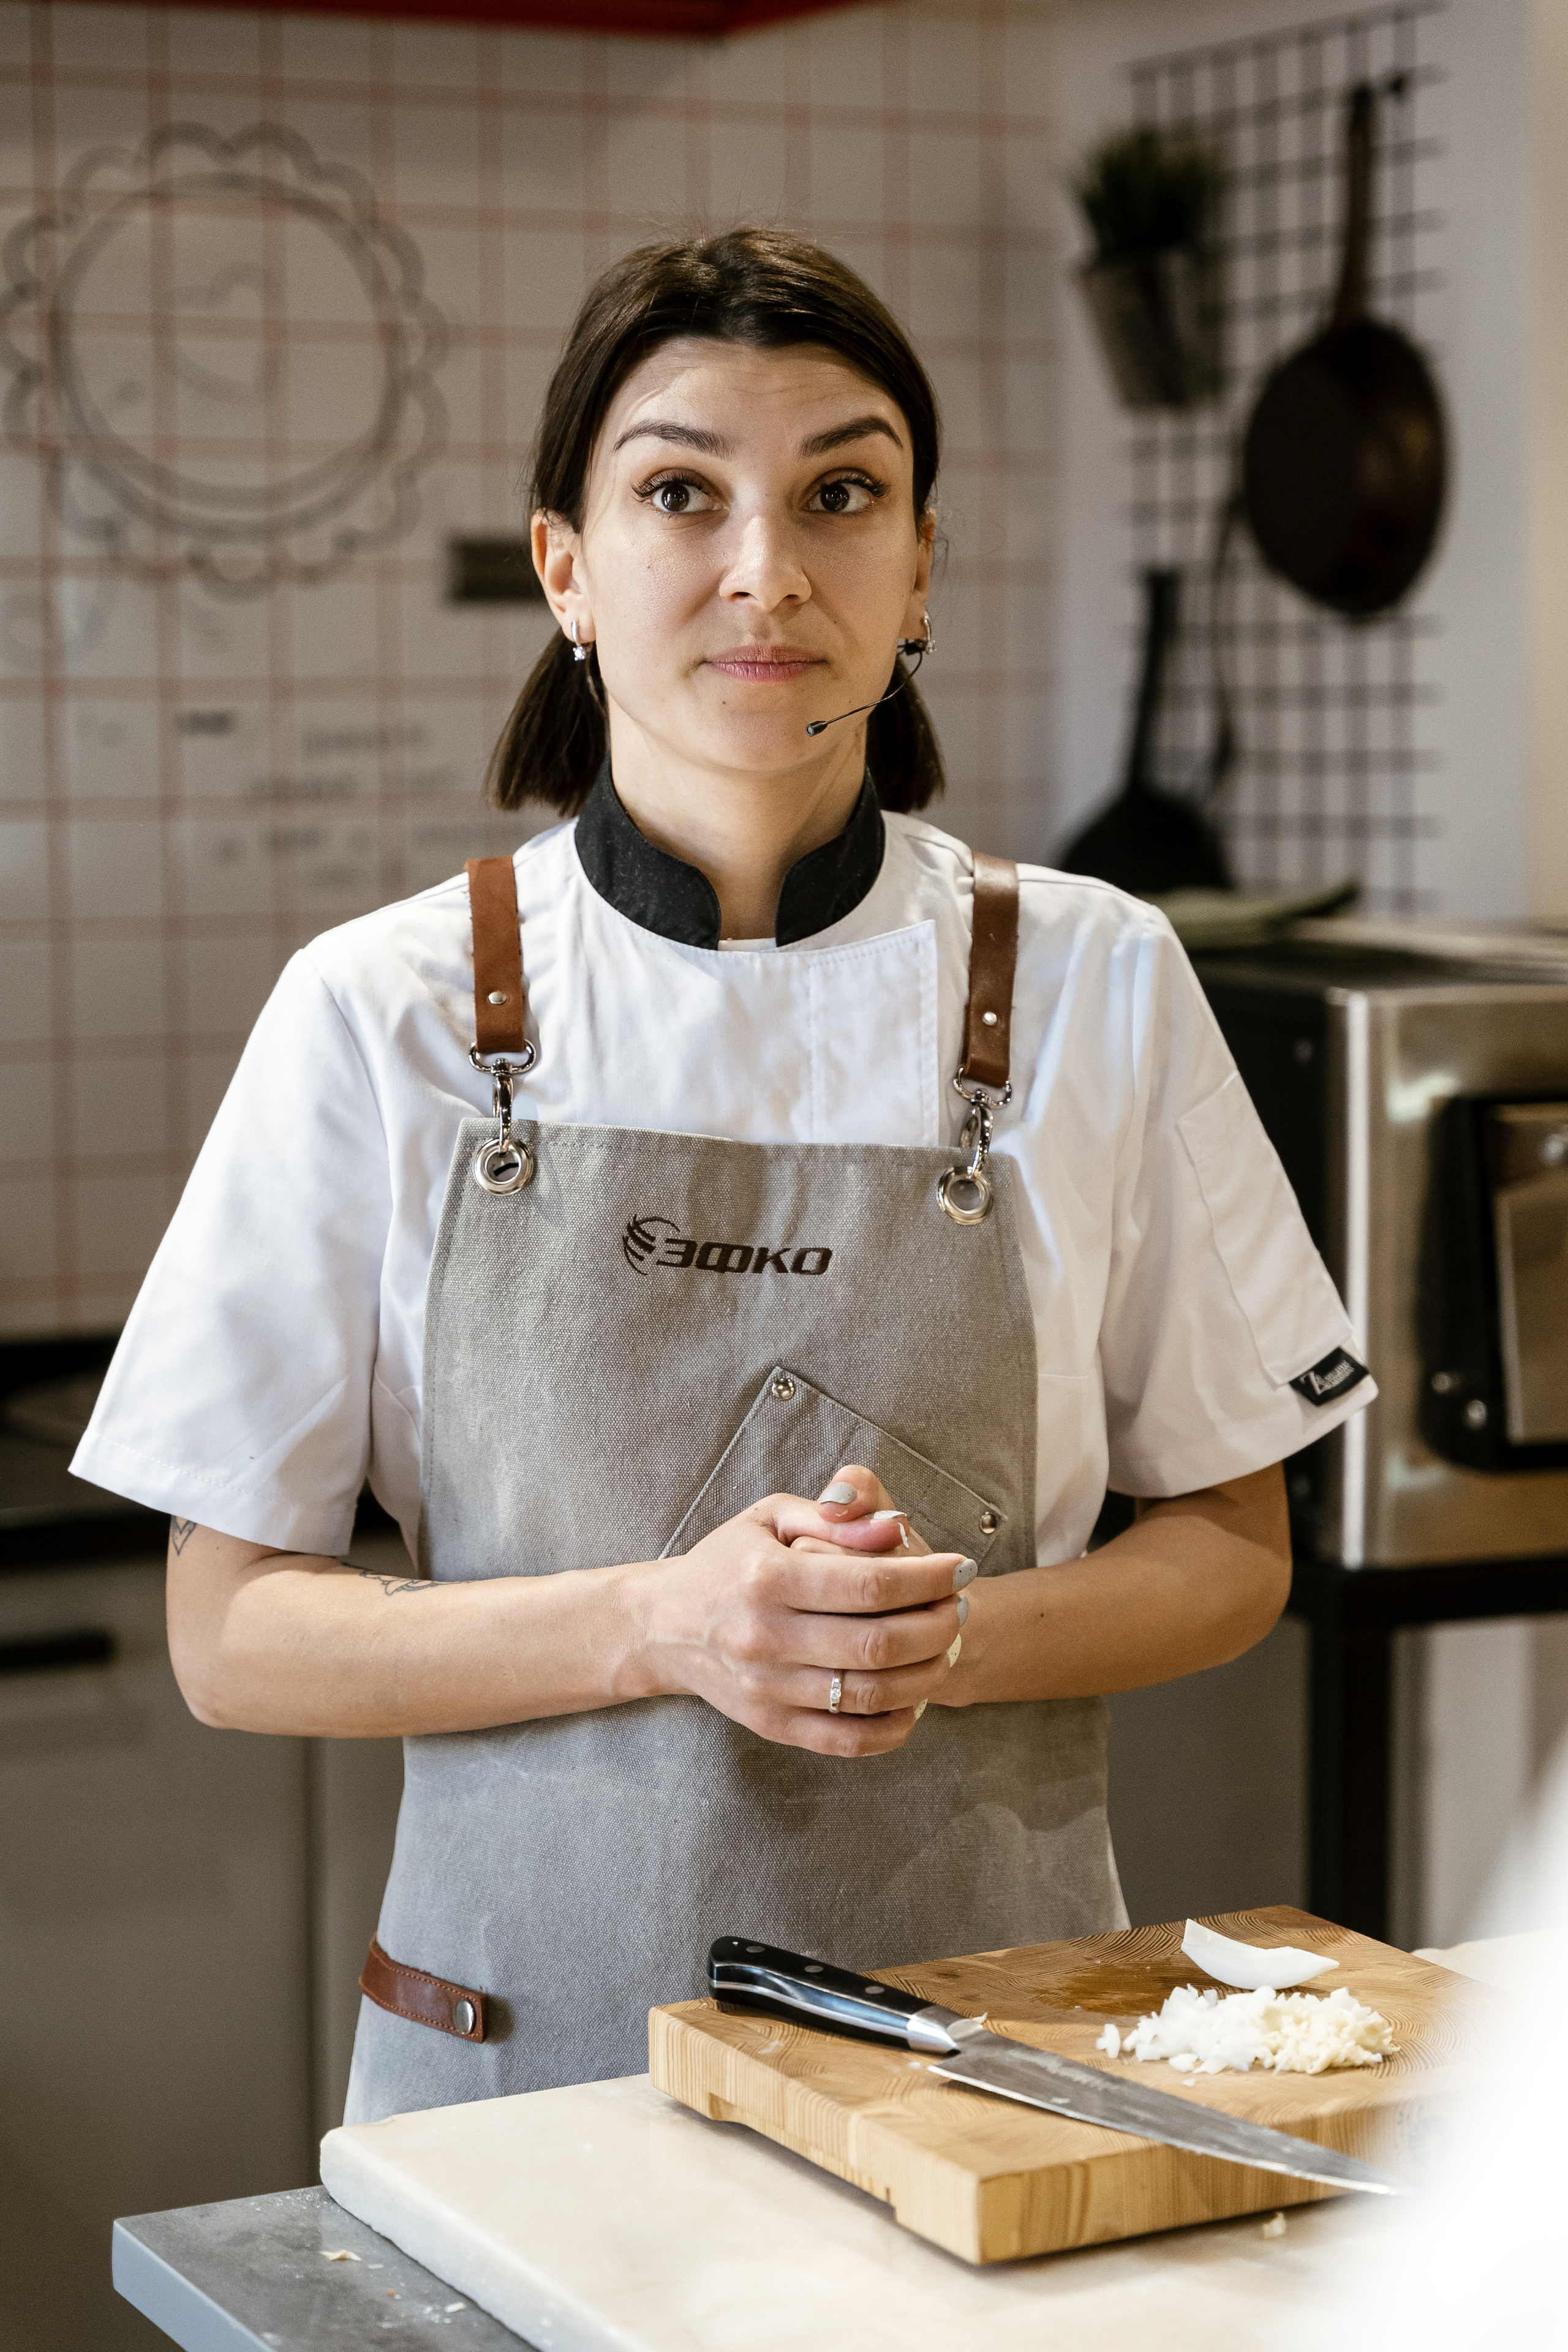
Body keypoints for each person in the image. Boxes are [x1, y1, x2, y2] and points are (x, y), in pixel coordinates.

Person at [72, 229, 1376, 2127]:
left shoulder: (1096, 980)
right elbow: (231, 1631)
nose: (767, 570)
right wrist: (667, 1627)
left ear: (921, 563)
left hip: (980, 2079)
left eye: (842, 493)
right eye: (681, 492)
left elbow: (1230, 1551)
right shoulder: (383, 1011)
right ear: (568, 569)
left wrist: (922, 1638)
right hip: (514, 2085)